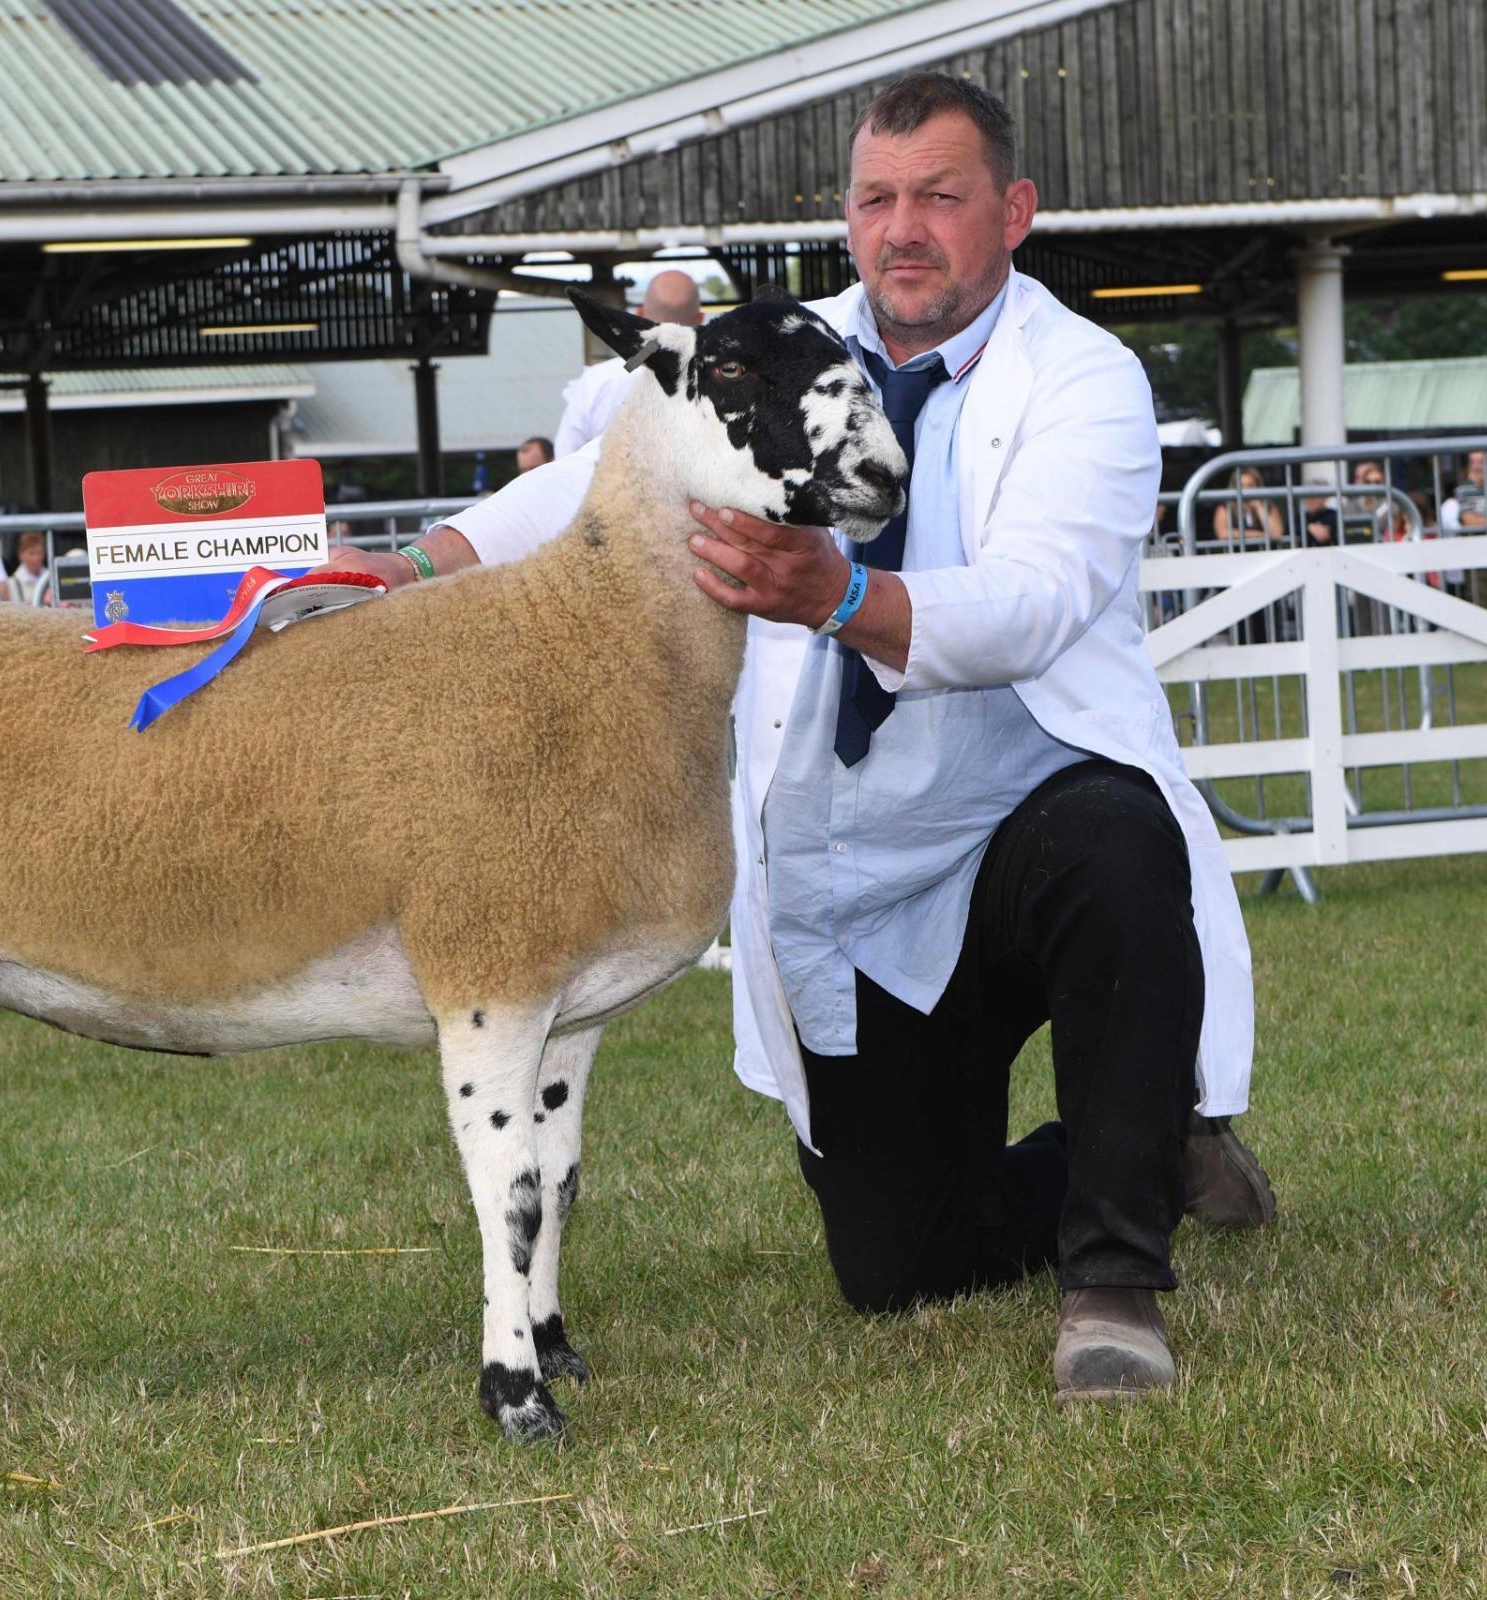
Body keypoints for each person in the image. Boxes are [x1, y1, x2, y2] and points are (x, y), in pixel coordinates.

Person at [320, 72, 1268, 1402]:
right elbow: (598, 483)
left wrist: (842, 598)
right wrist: (419, 558)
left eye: (941, 197)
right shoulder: (769, 350)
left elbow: (1036, 604)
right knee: (899, 1267)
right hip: (854, 876)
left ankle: (1115, 1285)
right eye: (878, 200)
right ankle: (1151, 1145)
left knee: (1115, 838)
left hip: (1025, 822)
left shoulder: (1087, 383)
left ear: (1016, 212)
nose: (905, 231)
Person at [550, 270, 705, 459]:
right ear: (699, 320)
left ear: (639, 314)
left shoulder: (597, 383)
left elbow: (565, 460)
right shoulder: (720, 382)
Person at [1211, 466, 1284, 546]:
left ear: (1257, 486)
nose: (1245, 490)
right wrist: (1258, 535)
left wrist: (1259, 507)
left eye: (1250, 485)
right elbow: (1223, 533)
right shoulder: (1225, 507)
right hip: (1235, 555)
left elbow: (1276, 533)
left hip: (1266, 554)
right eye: (1241, 486)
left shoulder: (1268, 505)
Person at [2, 531, 55, 606]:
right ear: (21, 555)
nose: (36, 558)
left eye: (39, 552)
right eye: (32, 553)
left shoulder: (52, 578)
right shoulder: (12, 583)